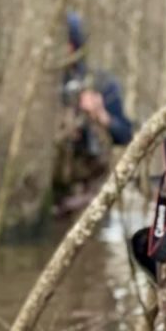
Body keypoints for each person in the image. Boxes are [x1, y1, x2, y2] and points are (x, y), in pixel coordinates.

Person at [54, 12, 133, 211]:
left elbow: (126, 134)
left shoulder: (101, 83)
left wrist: (100, 115)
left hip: (85, 201)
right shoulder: (44, 87)